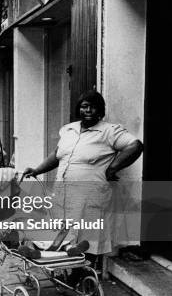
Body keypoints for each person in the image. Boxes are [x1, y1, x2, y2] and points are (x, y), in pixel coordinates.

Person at [23, 90, 143, 272]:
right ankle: (65, 267)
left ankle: (85, 273)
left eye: (93, 107)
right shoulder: (68, 129)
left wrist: (113, 168)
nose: (88, 110)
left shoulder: (109, 131)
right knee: (64, 231)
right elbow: (57, 155)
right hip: (64, 193)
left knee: (89, 234)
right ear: (78, 109)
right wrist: (38, 169)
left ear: (100, 110)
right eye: (84, 106)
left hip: (90, 194)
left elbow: (135, 145)